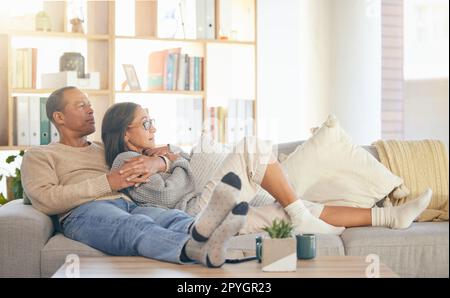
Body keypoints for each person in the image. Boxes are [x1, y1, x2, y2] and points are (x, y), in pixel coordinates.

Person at [102, 100, 433, 235]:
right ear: (126, 134)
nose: (153, 127)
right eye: (145, 122)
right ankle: (299, 213)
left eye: (152, 120)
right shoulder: (125, 162)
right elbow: (166, 196)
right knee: (251, 147)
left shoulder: (156, 152)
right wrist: (170, 161)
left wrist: (170, 158)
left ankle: (391, 217)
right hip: (191, 217)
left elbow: (178, 171)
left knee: (290, 211)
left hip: (208, 218)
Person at [20, 86, 255, 267]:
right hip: (83, 212)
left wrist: (161, 160)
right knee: (135, 227)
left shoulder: (104, 149)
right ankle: (192, 249)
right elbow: (45, 199)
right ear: (59, 117)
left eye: (90, 104)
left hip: (128, 204)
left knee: (171, 218)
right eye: (81, 105)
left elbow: (159, 151)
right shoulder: (40, 155)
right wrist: (108, 182)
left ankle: (217, 235)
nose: (91, 110)